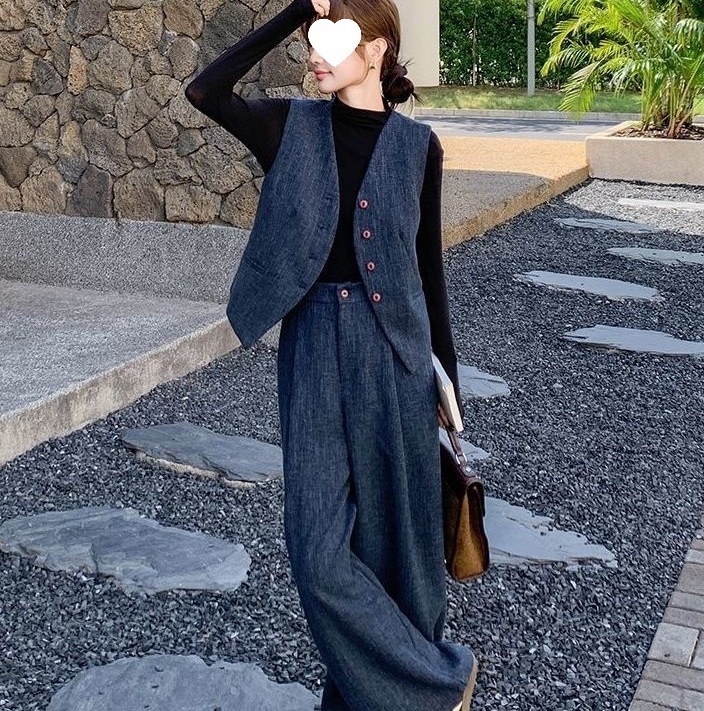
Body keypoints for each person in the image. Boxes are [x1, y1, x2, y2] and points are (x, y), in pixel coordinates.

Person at [185, 1, 478, 709]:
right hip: (313, 344)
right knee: (317, 554)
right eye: (312, 42)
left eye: (333, 41)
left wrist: (447, 384)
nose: (315, 56)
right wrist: (298, 9)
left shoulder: (420, 148)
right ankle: (440, 680)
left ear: (376, 50)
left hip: (395, 355)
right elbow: (206, 90)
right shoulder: (288, 127)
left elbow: (427, 271)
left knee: (398, 550)